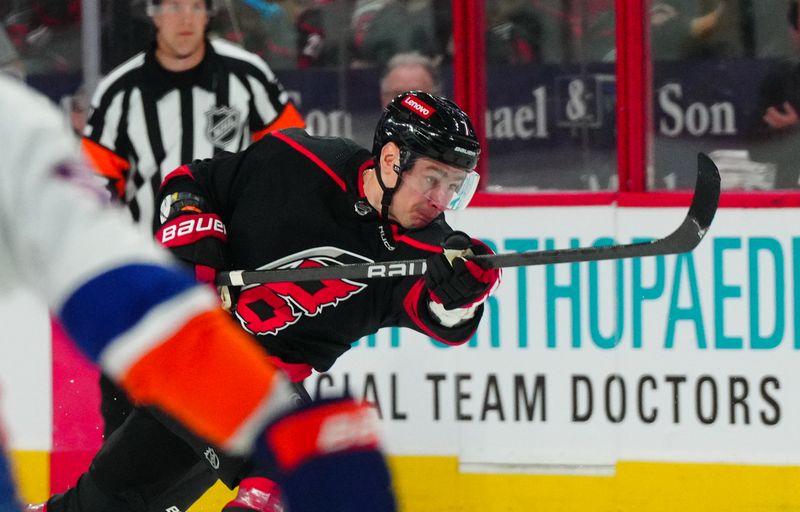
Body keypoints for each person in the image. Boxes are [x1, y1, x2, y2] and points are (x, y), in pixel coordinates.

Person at [51, 90, 502, 512]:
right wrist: (197, 242)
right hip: (173, 348)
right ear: (390, 160)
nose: (441, 201)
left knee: (292, 480)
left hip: (251, 385)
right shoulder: (297, 161)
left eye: (455, 186)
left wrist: (463, 292)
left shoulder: (429, 250)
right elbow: (190, 183)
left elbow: (443, 316)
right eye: (433, 179)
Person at [0, 75, 395, 512]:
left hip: (165, 287)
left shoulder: (13, 127)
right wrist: (281, 429)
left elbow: (128, 301)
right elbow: (131, 302)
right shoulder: (20, 121)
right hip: (160, 296)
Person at [81, 0, 304, 230]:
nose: (186, 19)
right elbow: (94, 183)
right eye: (175, 7)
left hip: (233, 253)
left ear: (207, 15)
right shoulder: (117, 91)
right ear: (155, 14)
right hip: (152, 254)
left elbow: (291, 155)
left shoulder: (248, 74)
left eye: (196, 7)